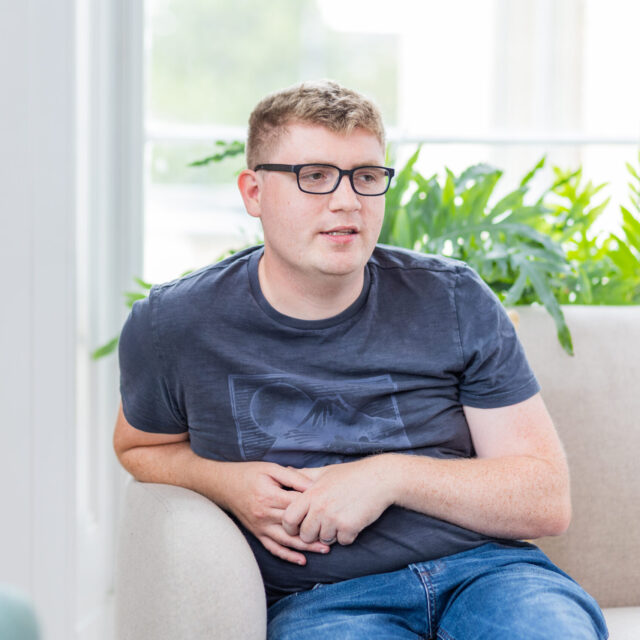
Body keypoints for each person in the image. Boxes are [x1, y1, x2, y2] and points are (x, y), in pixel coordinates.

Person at [114, 80, 608, 639]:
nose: (347, 200)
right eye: (315, 176)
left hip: (490, 577)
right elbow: (139, 447)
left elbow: (545, 500)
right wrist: (226, 483)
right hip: (325, 602)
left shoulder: (453, 299)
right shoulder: (173, 323)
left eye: (367, 177)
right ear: (253, 192)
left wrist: (388, 476)